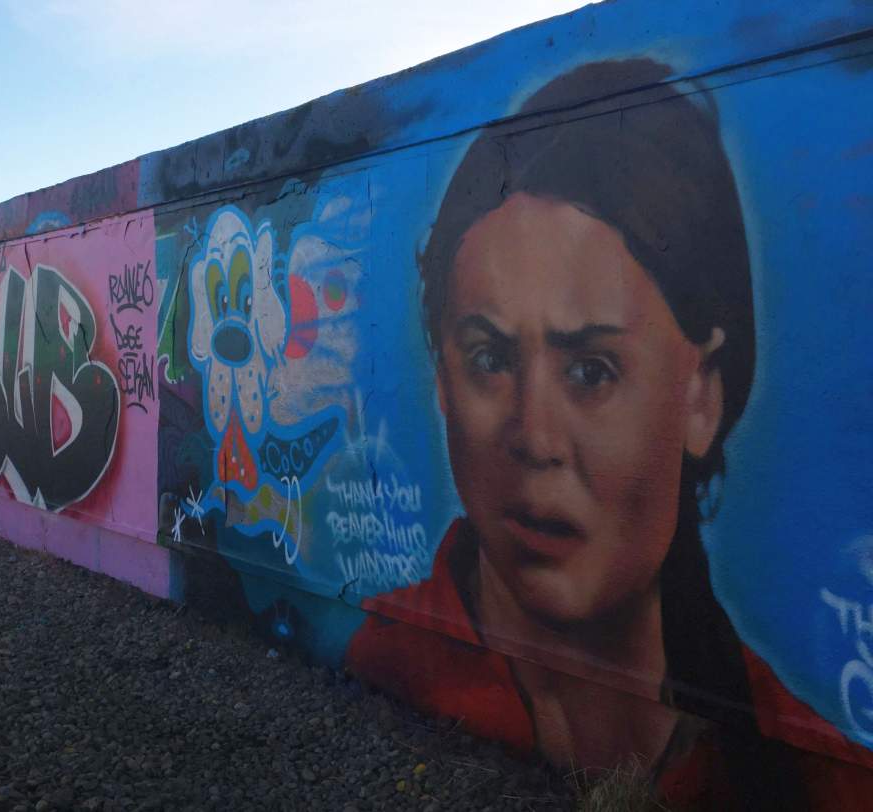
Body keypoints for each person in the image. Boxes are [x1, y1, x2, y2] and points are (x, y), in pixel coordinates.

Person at [346, 58, 873, 808]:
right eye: (489, 358)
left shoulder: (812, 780)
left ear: (702, 393)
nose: (536, 438)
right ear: (440, 379)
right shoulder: (381, 664)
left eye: (591, 370)